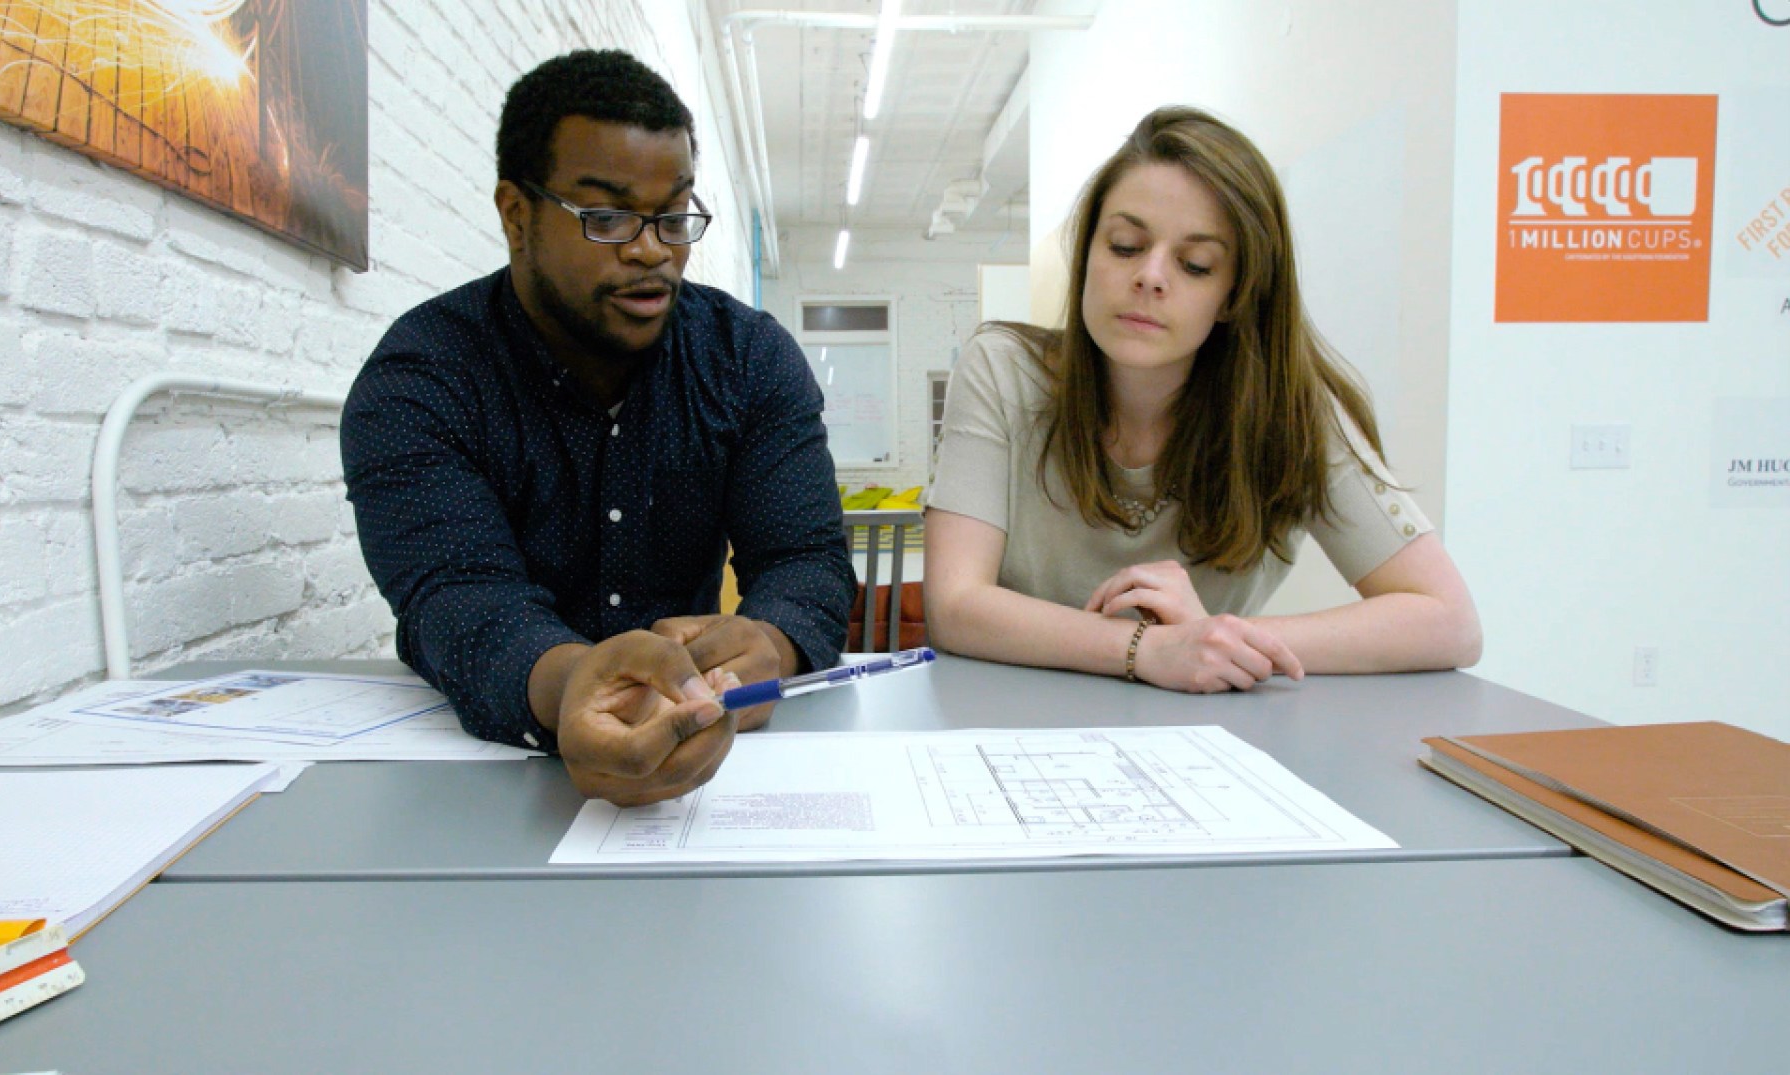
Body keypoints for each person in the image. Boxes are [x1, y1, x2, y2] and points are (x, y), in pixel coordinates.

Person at [341, 50, 855, 804]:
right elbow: (457, 596)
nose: (652, 249)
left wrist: (770, 641)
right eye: (609, 216)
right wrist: (570, 686)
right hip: (484, 784)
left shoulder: (746, 359)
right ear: (517, 216)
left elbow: (805, 559)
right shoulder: (424, 379)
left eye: (673, 214)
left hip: (713, 769)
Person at [924, 106, 1481, 693]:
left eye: (1195, 264)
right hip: (1011, 723)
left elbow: (1450, 621)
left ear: (1236, 293)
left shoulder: (1292, 409)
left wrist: (1220, 638)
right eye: (1124, 246)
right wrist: (1149, 649)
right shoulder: (1002, 371)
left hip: (1204, 740)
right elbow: (955, 605)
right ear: (1086, 254)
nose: (1151, 276)